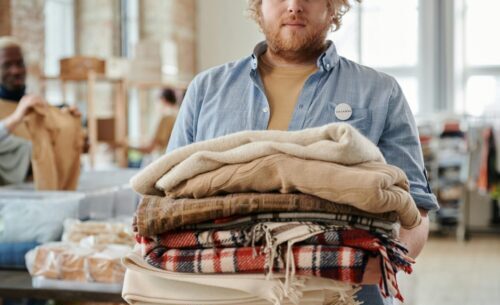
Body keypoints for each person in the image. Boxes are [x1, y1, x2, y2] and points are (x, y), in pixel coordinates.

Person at [167, 1, 439, 304]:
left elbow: (415, 205)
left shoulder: (380, 92)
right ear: (258, 7)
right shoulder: (206, 90)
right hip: (223, 294)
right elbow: (168, 195)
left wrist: (383, 263)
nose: (294, 5)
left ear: (334, 7)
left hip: (349, 293)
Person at [0, 36, 81, 187]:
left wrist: (70, 130)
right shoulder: (17, 112)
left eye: (19, 63)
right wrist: (16, 117)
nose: (16, 70)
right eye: (6, 65)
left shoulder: (37, 108)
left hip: (41, 194)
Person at [133, 88, 178, 155]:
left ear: (163, 100)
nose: (156, 106)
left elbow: (150, 148)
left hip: (165, 160)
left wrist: (126, 146)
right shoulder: (179, 114)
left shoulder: (166, 117)